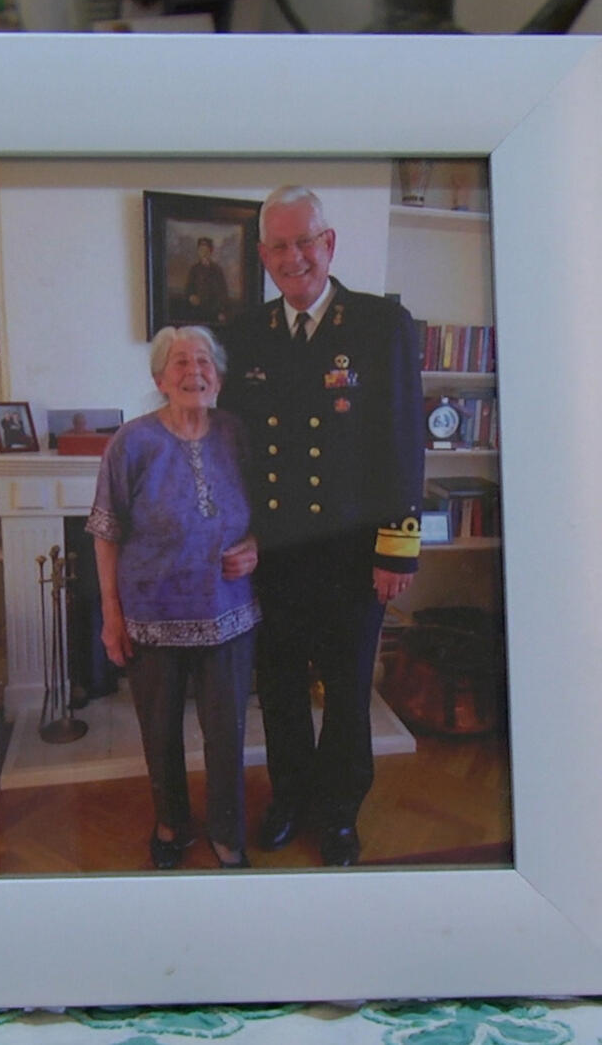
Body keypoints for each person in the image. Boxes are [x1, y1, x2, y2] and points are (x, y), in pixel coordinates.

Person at [219, 185, 424, 867]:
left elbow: (402, 439)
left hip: (351, 552)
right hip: (273, 553)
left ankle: (338, 813)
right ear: (263, 255)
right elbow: (231, 448)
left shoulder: (379, 326)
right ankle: (289, 798)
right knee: (276, 685)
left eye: (304, 242)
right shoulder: (242, 335)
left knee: (344, 690)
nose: (292, 257)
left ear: (328, 244)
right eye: (278, 246)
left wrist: (397, 548)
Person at [86, 325, 260, 870]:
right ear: (160, 378)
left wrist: (257, 545)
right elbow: (106, 530)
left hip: (229, 612)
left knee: (227, 732)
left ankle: (228, 830)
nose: (195, 372)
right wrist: (112, 617)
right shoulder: (131, 442)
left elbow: (269, 511)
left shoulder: (238, 434)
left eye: (204, 361)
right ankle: (171, 823)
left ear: (220, 375)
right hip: (152, 617)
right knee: (160, 731)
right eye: (181, 363)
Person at [185, 237, 229, 325]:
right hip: (197, 311)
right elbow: (188, 289)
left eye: (206, 251)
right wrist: (191, 297)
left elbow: (223, 293)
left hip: (213, 312)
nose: (204, 254)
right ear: (198, 252)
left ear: (211, 252)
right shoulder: (194, 269)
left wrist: (221, 311)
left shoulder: (217, 270)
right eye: (201, 250)